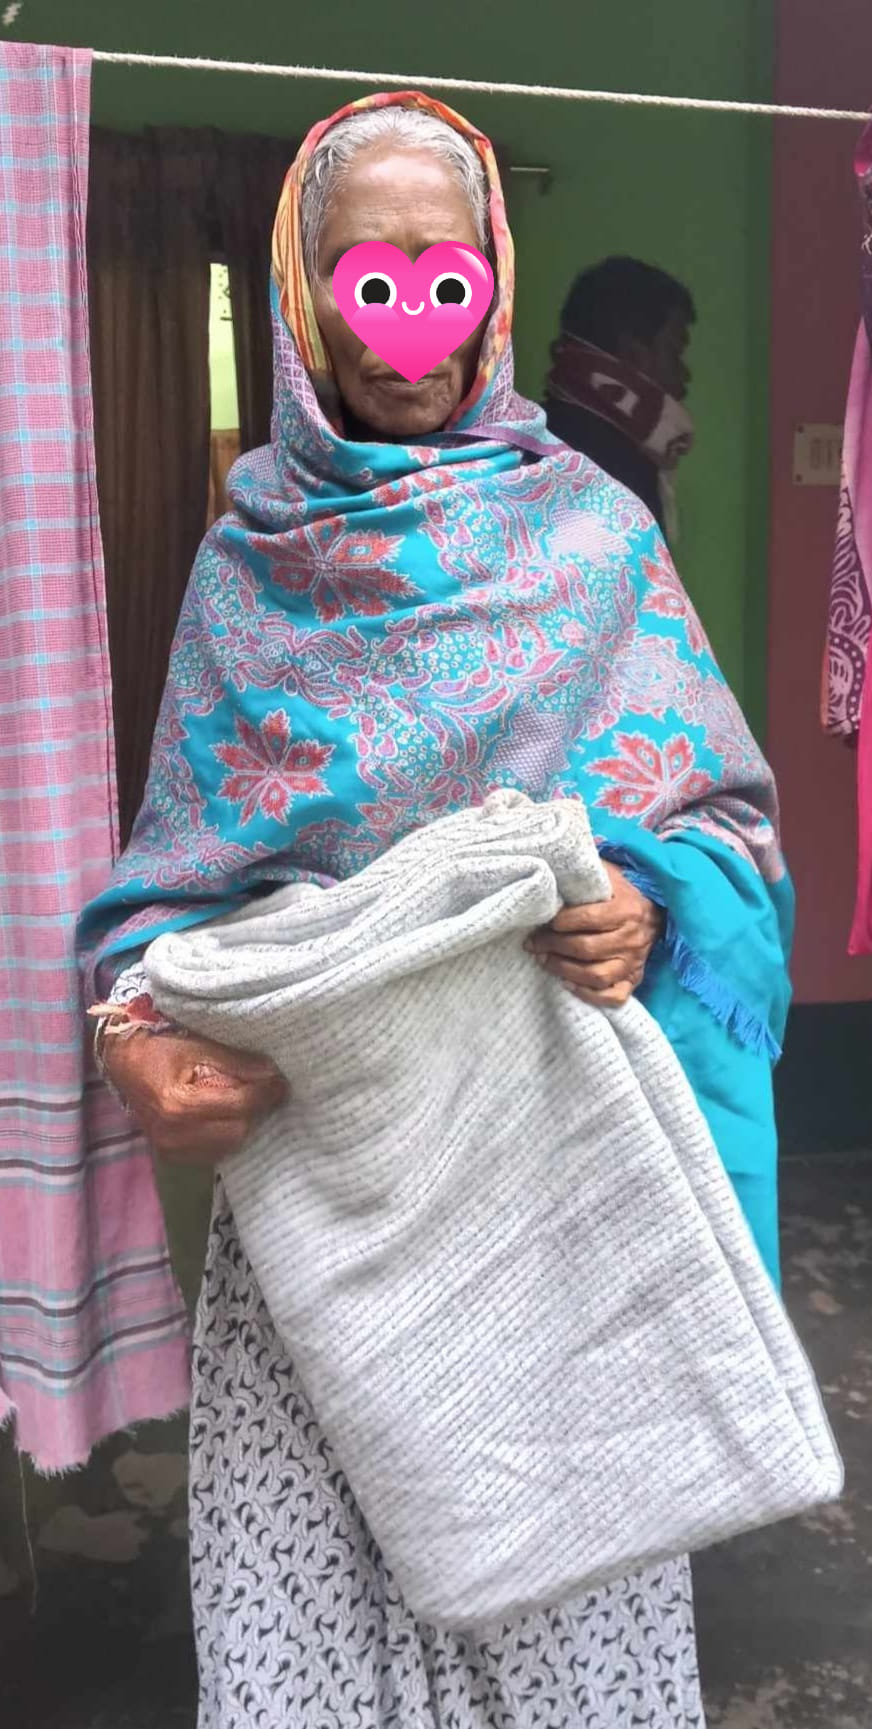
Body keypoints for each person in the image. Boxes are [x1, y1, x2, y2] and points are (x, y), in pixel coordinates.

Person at [78, 91, 792, 1729]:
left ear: (492, 283)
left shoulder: (593, 534)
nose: (409, 321)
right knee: (312, 1647)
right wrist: (135, 1038)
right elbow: (166, 883)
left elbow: (723, 820)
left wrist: (647, 902)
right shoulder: (250, 566)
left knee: (568, 1642)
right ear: (301, 293)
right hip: (327, 1206)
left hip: (556, 1200)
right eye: (366, 275)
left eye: (444, 272)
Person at [543, 256, 696, 544]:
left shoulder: (528, 444)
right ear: (633, 355)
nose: (684, 375)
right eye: (674, 352)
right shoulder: (620, 475)